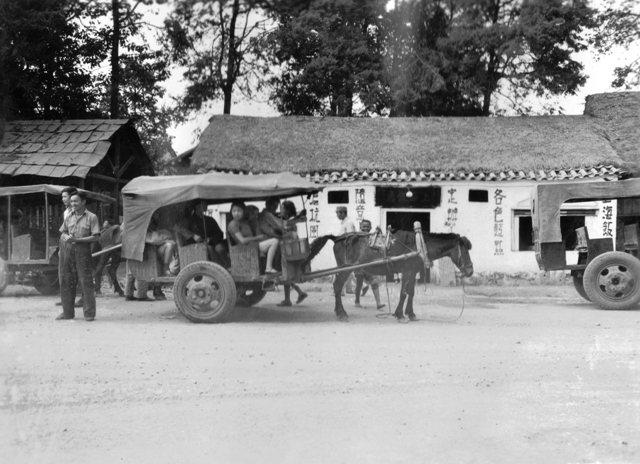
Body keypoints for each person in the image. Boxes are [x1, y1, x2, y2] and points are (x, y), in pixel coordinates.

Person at [56, 191, 100, 321]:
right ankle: (67, 313)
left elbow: (95, 237)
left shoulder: (92, 217)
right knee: (66, 281)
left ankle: (89, 313)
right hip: (68, 251)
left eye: (76, 201)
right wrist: (66, 237)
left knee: (85, 281)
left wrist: (78, 240)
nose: (73, 203)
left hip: (83, 251)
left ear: (83, 202)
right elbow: (62, 232)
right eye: (72, 201)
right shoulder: (69, 216)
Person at [228, 201, 279, 274]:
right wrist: (257, 238)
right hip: (246, 248)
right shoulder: (233, 224)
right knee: (274, 241)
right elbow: (242, 240)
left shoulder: (243, 222)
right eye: (234, 211)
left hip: (252, 246)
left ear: (243, 211)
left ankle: (271, 268)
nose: (236, 213)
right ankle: (268, 268)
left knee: (274, 243)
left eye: (239, 211)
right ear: (231, 211)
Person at [175, 201, 229, 268]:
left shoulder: (210, 219)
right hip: (196, 247)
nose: (206, 205)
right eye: (204, 203)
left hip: (212, 243)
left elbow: (219, 234)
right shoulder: (189, 220)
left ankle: (228, 266)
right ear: (197, 206)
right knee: (208, 248)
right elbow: (177, 228)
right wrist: (193, 235)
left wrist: (211, 239)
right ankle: (218, 268)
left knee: (220, 248)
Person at [277, 200, 309, 307]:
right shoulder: (291, 220)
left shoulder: (290, 221)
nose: (280, 210)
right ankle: (294, 295)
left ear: (287, 210)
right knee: (287, 274)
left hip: (290, 249)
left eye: (282, 208)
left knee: (287, 273)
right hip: (290, 248)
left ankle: (292, 297)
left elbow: (291, 234)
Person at [354, 219, 386, 310]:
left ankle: (378, 303)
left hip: (368, 265)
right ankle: (357, 301)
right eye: (364, 227)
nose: (365, 228)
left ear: (370, 228)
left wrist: (378, 232)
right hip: (358, 264)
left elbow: (379, 243)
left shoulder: (372, 237)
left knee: (374, 282)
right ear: (360, 227)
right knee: (359, 283)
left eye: (368, 227)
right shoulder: (356, 237)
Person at [55, 187, 79, 308]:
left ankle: (82, 298)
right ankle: (65, 299)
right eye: (62, 197)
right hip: (66, 242)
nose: (63, 199)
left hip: (76, 243)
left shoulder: (78, 211)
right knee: (64, 273)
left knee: (77, 272)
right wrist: (61, 249)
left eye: (65, 197)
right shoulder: (66, 212)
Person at [93, 218, 125, 297]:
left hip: (114, 245)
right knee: (100, 266)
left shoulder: (106, 231)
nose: (104, 225)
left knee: (111, 269)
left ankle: (117, 288)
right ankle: (95, 288)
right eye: (104, 223)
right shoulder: (104, 233)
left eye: (106, 224)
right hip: (108, 245)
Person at [335, 206, 356, 294]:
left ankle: (341, 290)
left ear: (343, 213)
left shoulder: (348, 223)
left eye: (338, 213)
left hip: (346, 250)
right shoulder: (344, 222)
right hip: (343, 249)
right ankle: (353, 288)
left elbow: (350, 237)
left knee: (345, 269)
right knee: (348, 270)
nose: (337, 215)